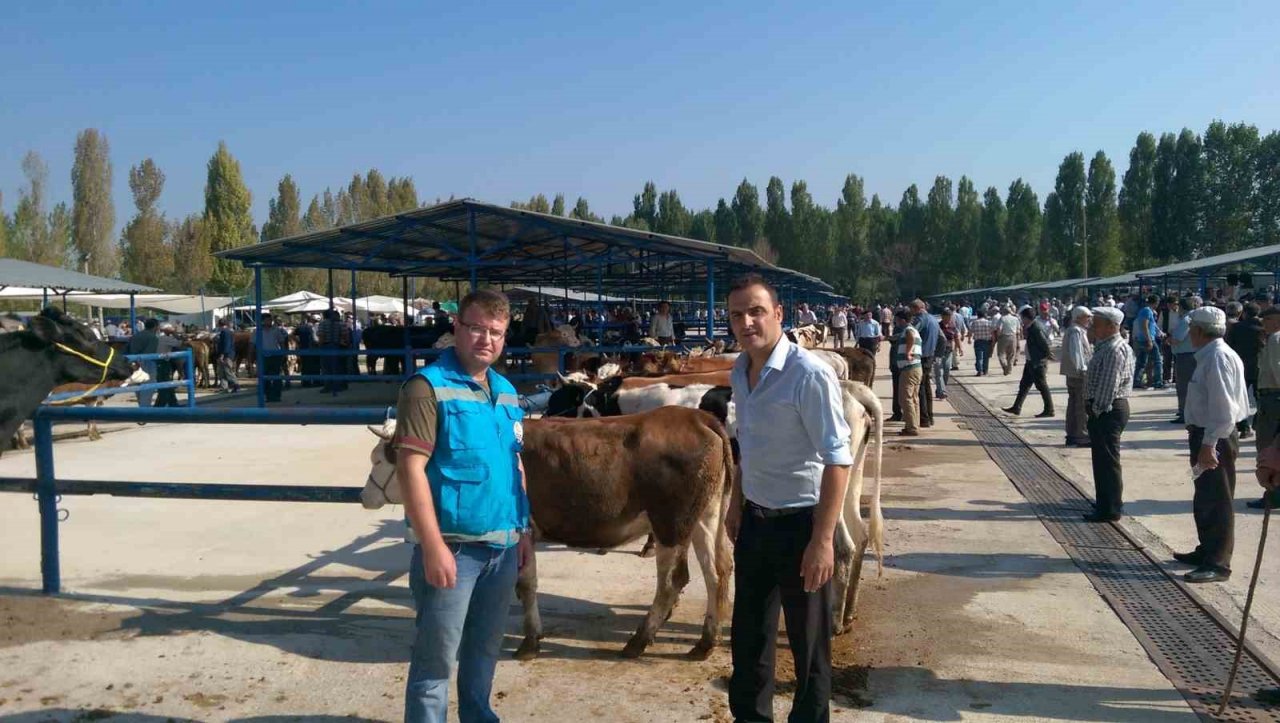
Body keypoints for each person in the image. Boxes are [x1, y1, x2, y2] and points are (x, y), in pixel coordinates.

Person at [391, 289, 533, 723]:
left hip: (503, 548)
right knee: (436, 660)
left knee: (485, 651)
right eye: (476, 328)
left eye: (496, 332)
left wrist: (524, 531)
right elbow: (410, 468)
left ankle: (477, 715)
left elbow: (516, 464)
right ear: (456, 327)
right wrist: (431, 546)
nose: (486, 339)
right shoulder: (426, 388)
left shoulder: (507, 392)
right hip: (453, 550)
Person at [724, 273, 852, 723]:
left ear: (779, 314)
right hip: (756, 525)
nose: (747, 322)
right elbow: (746, 445)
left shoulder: (807, 373)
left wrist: (822, 540)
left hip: (802, 526)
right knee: (749, 641)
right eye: (737, 314)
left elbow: (838, 459)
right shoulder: (740, 371)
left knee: (808, 646)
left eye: (756, 311)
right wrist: (736, 503)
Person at [1172, 306, 1249, 584]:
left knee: (1217, 499)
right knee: (1206, 496)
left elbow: (1224, 411)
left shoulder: (1217, 358)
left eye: (1191, 329)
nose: (1189, 334)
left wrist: (1209, 444)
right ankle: (1207, 550)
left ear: (1199, 331)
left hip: (1214, 436)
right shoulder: (1210, 355)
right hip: (1207, 434)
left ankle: (1217, 563)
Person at [1083, 307, 1135, 522]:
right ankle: (1106, 501)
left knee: (1107, 461)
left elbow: (1108, 385)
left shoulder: (1114, 349)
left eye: (1097, 323)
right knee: (1103, 460)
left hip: (1108, 409)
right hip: (1106, 408)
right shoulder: (1106, 346)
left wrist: (1096, 410)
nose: (1093, 327)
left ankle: (1110, 508)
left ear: (1111, 326)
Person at [1248, 307, 1280, 509]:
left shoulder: (1276, 339)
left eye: (1267, 319)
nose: (1264, 323)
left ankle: (1274, 493)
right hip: (1271, 398)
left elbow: (1278, 368)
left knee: (1269, 447)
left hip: (1273, 398)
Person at [1003, 307, 1055, 418]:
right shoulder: (1032, 327)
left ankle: (1049, 409)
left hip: (1037, 362)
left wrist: (1045, 357)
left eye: (1022, 317)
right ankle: (1017, 407)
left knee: (1042, 385)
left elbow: (1044, 344)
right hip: (1031, 360)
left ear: (1026, 318)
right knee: (1024, 385)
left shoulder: (1036, 328)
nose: (1021, 320)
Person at [1226, 302, 1264, 439]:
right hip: (1261, 368)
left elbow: (1229, 346)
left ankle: (1244, 427)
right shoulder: (1264, 328)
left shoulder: (1237, 328)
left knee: (1239, 398)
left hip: (1241, 367)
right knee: (1261, 399)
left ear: (1244, 313)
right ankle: (1258, 424)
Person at [1061, 307, 1094, 447]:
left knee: (1074, 405)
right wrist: (1082, 369)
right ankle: (1082, 436)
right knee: (1080, 406)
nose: (1089, 319)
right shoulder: (1076, 331)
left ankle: (1072, 434)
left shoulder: (1076, 330)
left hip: (1073, 374)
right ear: (1078, 317)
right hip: (1078, 375)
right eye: (1087, 317)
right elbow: (1077, 353)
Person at [1169, 295, 1202, 424]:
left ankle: (1184, 413)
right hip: (1192, 353)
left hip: (1185, 355)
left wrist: (1170, 340)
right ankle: (1187, 411)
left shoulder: (1186, 319)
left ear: (1181, 307)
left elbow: (1178, 338)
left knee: (1183, 386)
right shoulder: (1196, 316)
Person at [910, 299, 940, 427]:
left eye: (912, 310)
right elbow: (941, 338)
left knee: (920, 388)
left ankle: (924, 418)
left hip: (921, 356)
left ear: (916, 309)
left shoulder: (920, 319)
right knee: (927, 387)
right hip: (930, 355)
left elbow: (911, 333)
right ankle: (929, 416)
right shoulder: (934, 319)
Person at [893, 310, 923, 437]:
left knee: (905, 398)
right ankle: (913, 424)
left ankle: (911, 427)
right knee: (913, 398)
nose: (896, 322)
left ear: (903, 320)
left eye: (897, 320)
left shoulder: (909, 330)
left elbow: (909, 336)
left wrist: (908, 352)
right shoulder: (911, 330)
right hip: (915, 368)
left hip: (909, 368)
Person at [1132, 294, 1165, 390]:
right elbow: (1144, 325)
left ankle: (1136, 381)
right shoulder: (1147, 311)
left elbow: (1153, 325)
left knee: (1142, 361)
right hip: (1147, 339)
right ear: (1156, 302)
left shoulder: (1148, 311)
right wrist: (1149, 339)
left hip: (1144, 338)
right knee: (1157, 361)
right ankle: (1158, 381)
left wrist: (1160, 333)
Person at [127, 318, 160, 407]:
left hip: (133, 363)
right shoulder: (153, 338)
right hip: (147, 363)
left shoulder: (136, 335)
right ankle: (145, 410)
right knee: (148, 388)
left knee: (138, 387)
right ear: (155, 327)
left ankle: (142, 407)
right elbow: (150, 352)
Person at [259, 313, 290, 403]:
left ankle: (277, 396)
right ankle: (268, 396)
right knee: (265, 378)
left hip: (275, 356)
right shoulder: (258, 331)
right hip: (264, 356)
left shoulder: (276, 330)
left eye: (270, 320)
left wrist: (283, 353)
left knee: (276, 377)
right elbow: (252, 344)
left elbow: (281, 342)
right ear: (263, 321)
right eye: (268, 320)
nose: (270, 322)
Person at [153, 323, 183, 408]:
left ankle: (172, 403)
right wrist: (174, 333)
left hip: (157, 362)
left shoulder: (157, 336)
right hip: (163, 362)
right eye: (170, 328)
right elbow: (179, 343)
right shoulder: (166, 338)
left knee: (166, 383)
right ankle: (160, 405)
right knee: (166, 383)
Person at [934, 309, 959, 400]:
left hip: (949, 351)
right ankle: (942, 391)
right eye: (947, 317)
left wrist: (959, 348)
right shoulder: (937, 326)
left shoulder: (953, 326)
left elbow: (956, 337)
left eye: (950, 317)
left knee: (947, 370)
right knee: (939, 372)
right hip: (938, 352)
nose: (949, 319)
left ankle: (940, 388)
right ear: (943, 316)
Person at [968, 308, 996, 376]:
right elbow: (992, 333)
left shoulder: (974, 322)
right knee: (986, 357)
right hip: (987, 342)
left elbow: (970, 332)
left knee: (979, 357)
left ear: (977, 315)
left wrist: (969, 339)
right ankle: (985, 370)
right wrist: (993, 341)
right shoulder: (989, 322)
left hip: (978, 342)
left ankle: (979, 371)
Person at [215, 318, 240, 393]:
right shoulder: (227, 332)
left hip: (227, 355)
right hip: (227, 354)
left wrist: (222, 355)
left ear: (220, 325)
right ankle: (224, 387)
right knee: (222, 371)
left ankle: (236, 384)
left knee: (227, 371)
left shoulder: (225, 332)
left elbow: (226, 345)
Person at [996, 306, 1021, 375]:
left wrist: (998, 336)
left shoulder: (1002, 318)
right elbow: (1018, 330)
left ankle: (1004, 366)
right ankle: (1009, 369)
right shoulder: (1015, 319)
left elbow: (999, 329)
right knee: (1011, 354)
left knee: (1001, 354)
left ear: (1004, 312)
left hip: (1004, 336)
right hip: (1013, 336)